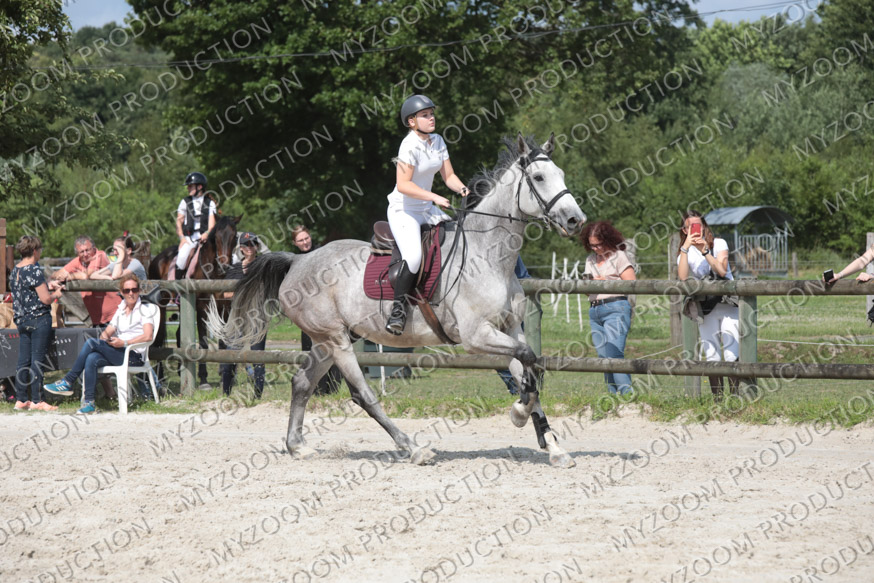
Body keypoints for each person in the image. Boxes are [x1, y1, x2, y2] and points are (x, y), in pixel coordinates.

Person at [385, 94, 470, 335]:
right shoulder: (408, 145)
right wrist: (434, 197)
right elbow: (403, 184)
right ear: (411, 121)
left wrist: (464, 190)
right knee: (413, 258)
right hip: (405, 211)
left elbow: (448, 176)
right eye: (425, 115)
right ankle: (398, 310)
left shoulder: (438, 140)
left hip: (426, 209)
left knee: (459, 238)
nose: (431, 118)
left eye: (432, 113)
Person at [44, 274, 156, 414]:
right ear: (121, 292)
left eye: (134, 289)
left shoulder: (144, 310)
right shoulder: (121, 310)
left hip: (134, 356)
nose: (131, 293)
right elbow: (107, 332)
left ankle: (68, 381)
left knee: (91, 343)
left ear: (139, 291)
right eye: (127, 290)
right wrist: (104, 341)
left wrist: (125, 342)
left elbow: (148, 335)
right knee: (92, 358)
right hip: (120, 352)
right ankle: (89, 403)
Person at [677, 210, 740, 399]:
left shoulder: (718, 243)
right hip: (706, 306)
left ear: (704, 226)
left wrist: (705, 251)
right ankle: (718, 400)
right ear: (684, 230)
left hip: (727, 303)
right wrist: (686, 248)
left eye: (699, 225)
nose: (696, 230)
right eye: (690, 227)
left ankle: (735, 399)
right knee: (712, 354)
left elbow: (722, 271)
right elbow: (682, 277)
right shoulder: (685, 252)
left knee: (731, 353)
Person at [581, 221, 636, 396]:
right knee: (603, 357)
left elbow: (632, 283)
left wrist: (604, 282)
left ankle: (627, 395)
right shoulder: (590, 260)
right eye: (592, 245)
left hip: (615, 307)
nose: (596, 248)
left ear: (607, 240)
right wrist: (587, 285)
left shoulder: (619, 256)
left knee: (614, 353)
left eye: (599, 244)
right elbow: (587, 291)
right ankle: (612, 396)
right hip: (595, 310)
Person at [10, 235, 64, 411]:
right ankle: (38, 400)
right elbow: (46, 299)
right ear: (34, 251)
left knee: (23, 361)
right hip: (39, 319)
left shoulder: (16, 270)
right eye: (40, 250)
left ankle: (21, 399)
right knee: (37, 361)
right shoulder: (34, 270)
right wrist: (57, 294)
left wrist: (47, 284)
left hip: (22, 320)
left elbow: (29, 290)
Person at [291, 224, 342, 394]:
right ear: (295, 243)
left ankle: (333, 391)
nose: (305, 242)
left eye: (306, 238)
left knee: (334, 350)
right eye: (300, 240)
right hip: (307, 316)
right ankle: (318, 392)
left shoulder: (322, 254)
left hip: (328, 313)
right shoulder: (294, 261)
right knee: (311, 354)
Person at [220, 232, 266, 399]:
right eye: (246, 244)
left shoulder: (263, 265)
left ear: (257, 246)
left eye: (253, 244)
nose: (250, 247)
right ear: (241, 248)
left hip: (257, 314)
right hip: (237, 315)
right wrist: (246, 291)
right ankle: (226, 394)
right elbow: (226, 294)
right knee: (230, 356)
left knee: (258, 356)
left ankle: (258, 395)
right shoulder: (234, 268)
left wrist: (240, 291)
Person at [51, 235, 121, 327]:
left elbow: (86, 275)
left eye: (87, 250)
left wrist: (68, 276)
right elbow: (57, 273)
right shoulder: (78, 261)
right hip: (97, 318)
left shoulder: (100, 255)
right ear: (77, 253)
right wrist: (58, 276)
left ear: (94, 248)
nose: (85, 254)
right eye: (81, 251)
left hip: (114, 315)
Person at [497, 256, 532, 395]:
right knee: (497, 350)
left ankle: (523, 388)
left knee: (521, 350)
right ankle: (517, 388)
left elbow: (524, 278)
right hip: (493, 307)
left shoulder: (511, 252)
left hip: (513, 305)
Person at [175, 171, 216, 280]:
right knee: (181, 259)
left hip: (205, 238)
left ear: (199, 187)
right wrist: (182, 238)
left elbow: (212, 225)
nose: (188, 188)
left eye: (190, 186)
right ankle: (177, 286)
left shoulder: (210, 203)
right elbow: (179, 222)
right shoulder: (184, 202)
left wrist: (207, 233)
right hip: (189, 238)